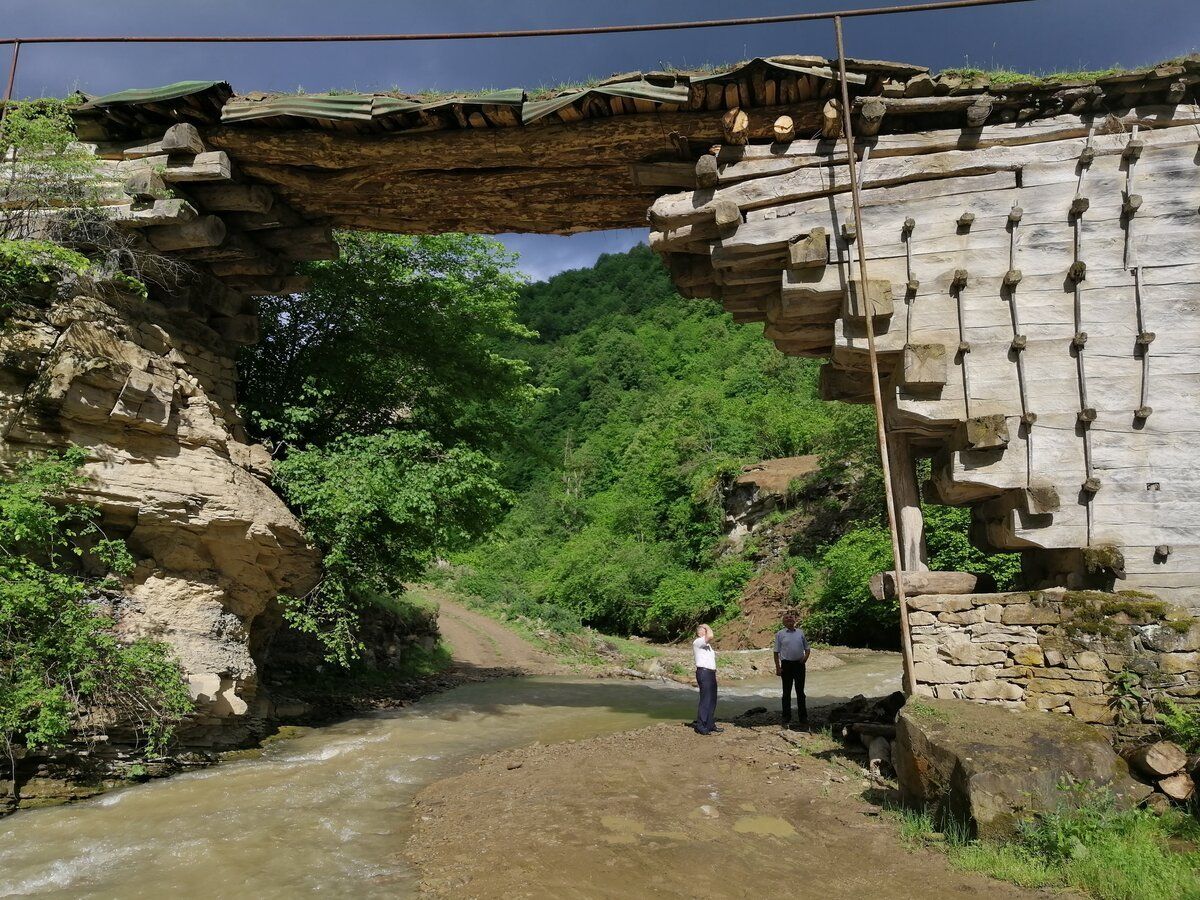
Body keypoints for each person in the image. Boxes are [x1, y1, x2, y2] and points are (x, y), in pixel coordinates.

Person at [773, 611, 810, 728]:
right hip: (786, 665)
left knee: (800, 692)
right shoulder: (780, 634)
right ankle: (786, 718)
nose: (789, 619)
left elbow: (807, 648)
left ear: (795, 620)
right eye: (787, 618)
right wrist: (778, 667)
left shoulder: (800, 632)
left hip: (799, 665)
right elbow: (776, 652)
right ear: (783, 622)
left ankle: (803, 718)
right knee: (786, 693)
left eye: (791, 618)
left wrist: (804, 659)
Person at [692, 624, 722, 735]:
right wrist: (707, 626)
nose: (708, 631)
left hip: (710, 673)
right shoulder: (698, 641)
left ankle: (709, 724)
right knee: (705, 699)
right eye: (705, 630)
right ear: (700, 632)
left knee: (712, 699)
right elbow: (711, 636)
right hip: (703, 672)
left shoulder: (707, 645)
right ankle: (701, 725)